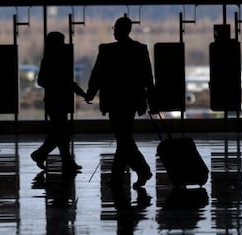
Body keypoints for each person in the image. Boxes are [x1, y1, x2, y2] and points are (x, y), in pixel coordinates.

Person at [85, 16, 155, 188]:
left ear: (119, 30)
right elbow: (148, 78)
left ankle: (139, 171)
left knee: (123, 138)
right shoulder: (140, 49)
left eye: (115, 28)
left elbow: (97, 75)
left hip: (114, 101)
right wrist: (152, 101)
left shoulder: (106, 50)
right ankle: (122, 175)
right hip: (131, 101)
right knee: (124, 138)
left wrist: (90, 94)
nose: (114, 31)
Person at [31, 31, 84, 172]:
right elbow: (67, 81)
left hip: (53, 100)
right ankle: (44, 155)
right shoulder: (56, 60)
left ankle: (44, 155)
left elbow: (43, 81)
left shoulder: (49, 60)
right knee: (61, 132)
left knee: (59, 132)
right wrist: (81, 92)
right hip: (57, 101)